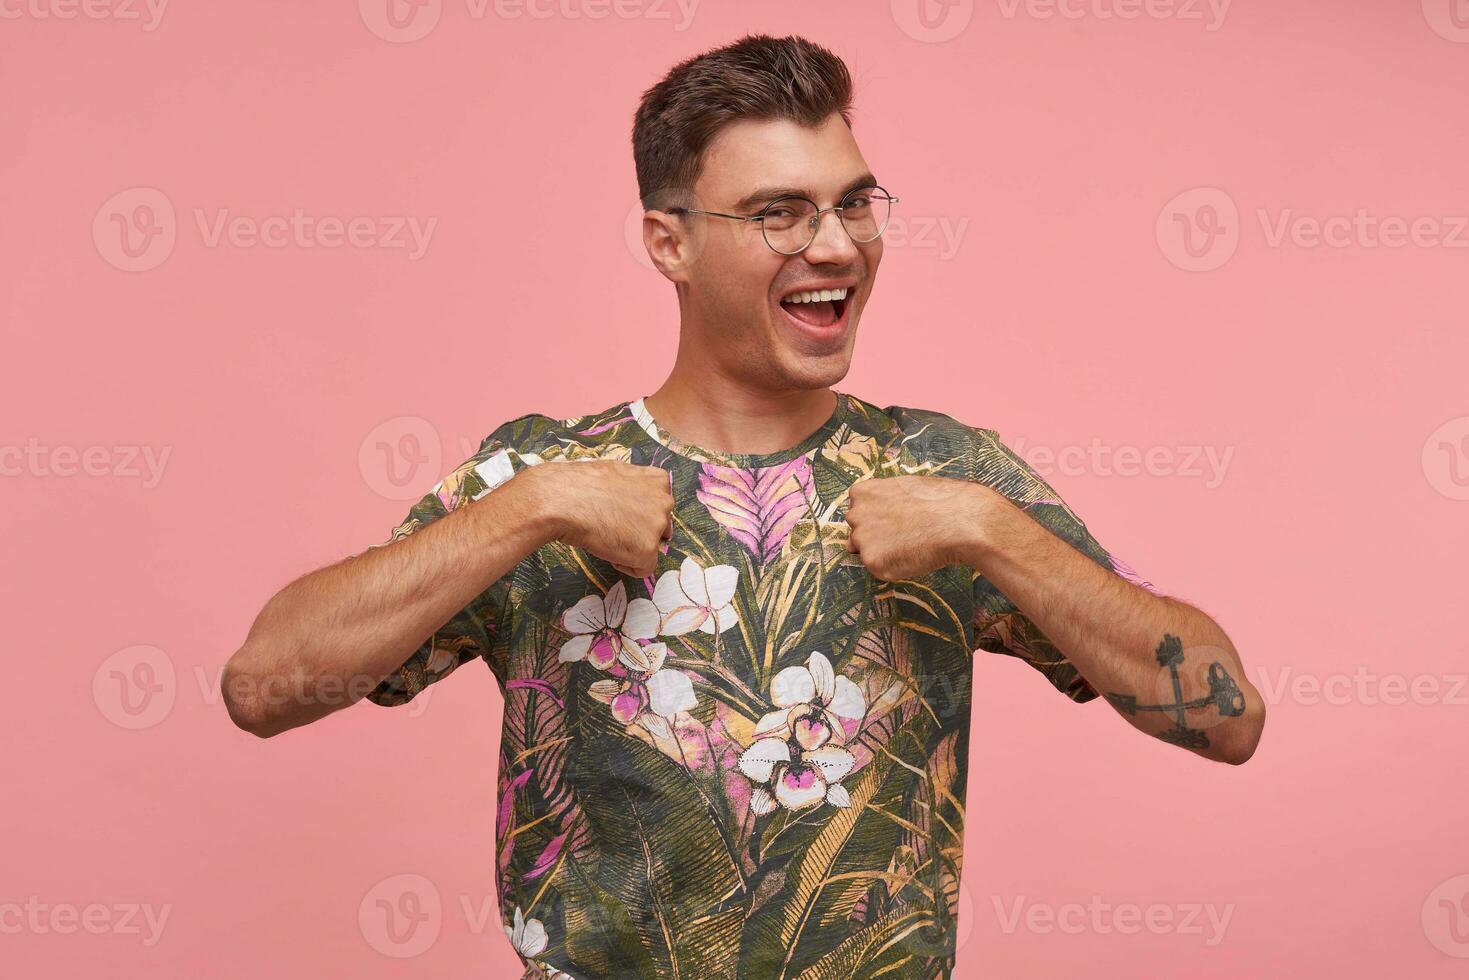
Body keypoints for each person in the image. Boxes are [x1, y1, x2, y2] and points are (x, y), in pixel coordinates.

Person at [222, 34, 1265, 980]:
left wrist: (992, 530)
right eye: (779, 213)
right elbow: (264, 684)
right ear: (669, 243)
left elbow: (1227, 718)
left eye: (854, 202)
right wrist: (526, 508)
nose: (837, 244)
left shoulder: (942, 472)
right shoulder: (541, 479)